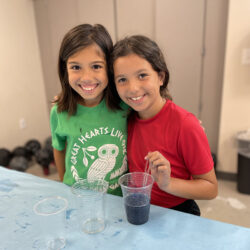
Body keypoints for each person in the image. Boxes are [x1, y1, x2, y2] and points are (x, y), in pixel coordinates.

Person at [109, 35, 218, 215]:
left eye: (142, 75)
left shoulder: (185, 124)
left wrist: (167, 183)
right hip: (137, 206)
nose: (133, 88)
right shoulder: (123, 117)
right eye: (122, 79)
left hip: (178, 212)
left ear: (160, 77)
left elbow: (211, 188)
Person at [50, 24, 128, 196]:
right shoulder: (59, 111)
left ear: (109, 67)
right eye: (76, 67)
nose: (86, 78)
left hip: (118, 199)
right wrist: (63, 184)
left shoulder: (125, 105)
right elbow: (59, 147)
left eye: (96, 66)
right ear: (65, 70)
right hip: (77, 197)